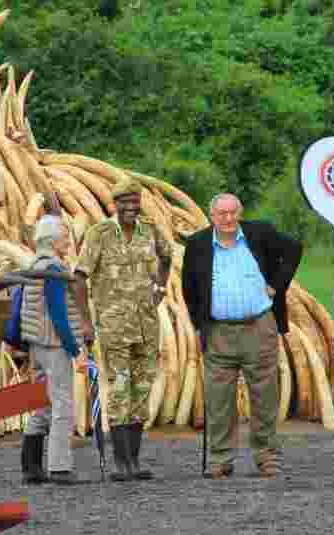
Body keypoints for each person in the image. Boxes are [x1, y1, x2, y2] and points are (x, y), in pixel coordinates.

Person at [181, 193, 303, 479]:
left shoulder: (259, 233)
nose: (227, 219)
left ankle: (267, 456)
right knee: (218, 398)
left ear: (240, 213)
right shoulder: (198, 244)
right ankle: (221, 459)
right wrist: (200, 324)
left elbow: (295, 249)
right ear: (212, 216)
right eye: (221, 213)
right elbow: (189, 288)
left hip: (259, 325)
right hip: (219, 331)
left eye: (233, 213)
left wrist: (278, 285)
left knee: (264, 394)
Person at [74, 177, 172, 482]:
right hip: (114, 326)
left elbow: (167, 256)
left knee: (141, 391)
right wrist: (87, 322)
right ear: (114, 205)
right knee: (119, 388)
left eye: (134, 202)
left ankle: (134, 460)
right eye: (124, 203)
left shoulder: (150, 229)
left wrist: (160, 286)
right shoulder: (99, 234)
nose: (130, 207)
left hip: (146, 324)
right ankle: (120, 462)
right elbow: (79, 278)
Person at [19, 214, 89, 485]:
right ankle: (60, 467)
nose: (68, 242)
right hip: (55, 344)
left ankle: (31, 467)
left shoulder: (35, 264)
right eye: (64, 236)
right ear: (52, 239)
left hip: (36, 344)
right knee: (63, 404)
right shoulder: (55, 270)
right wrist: (76, 351)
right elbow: (59, 315)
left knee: (42, 404)